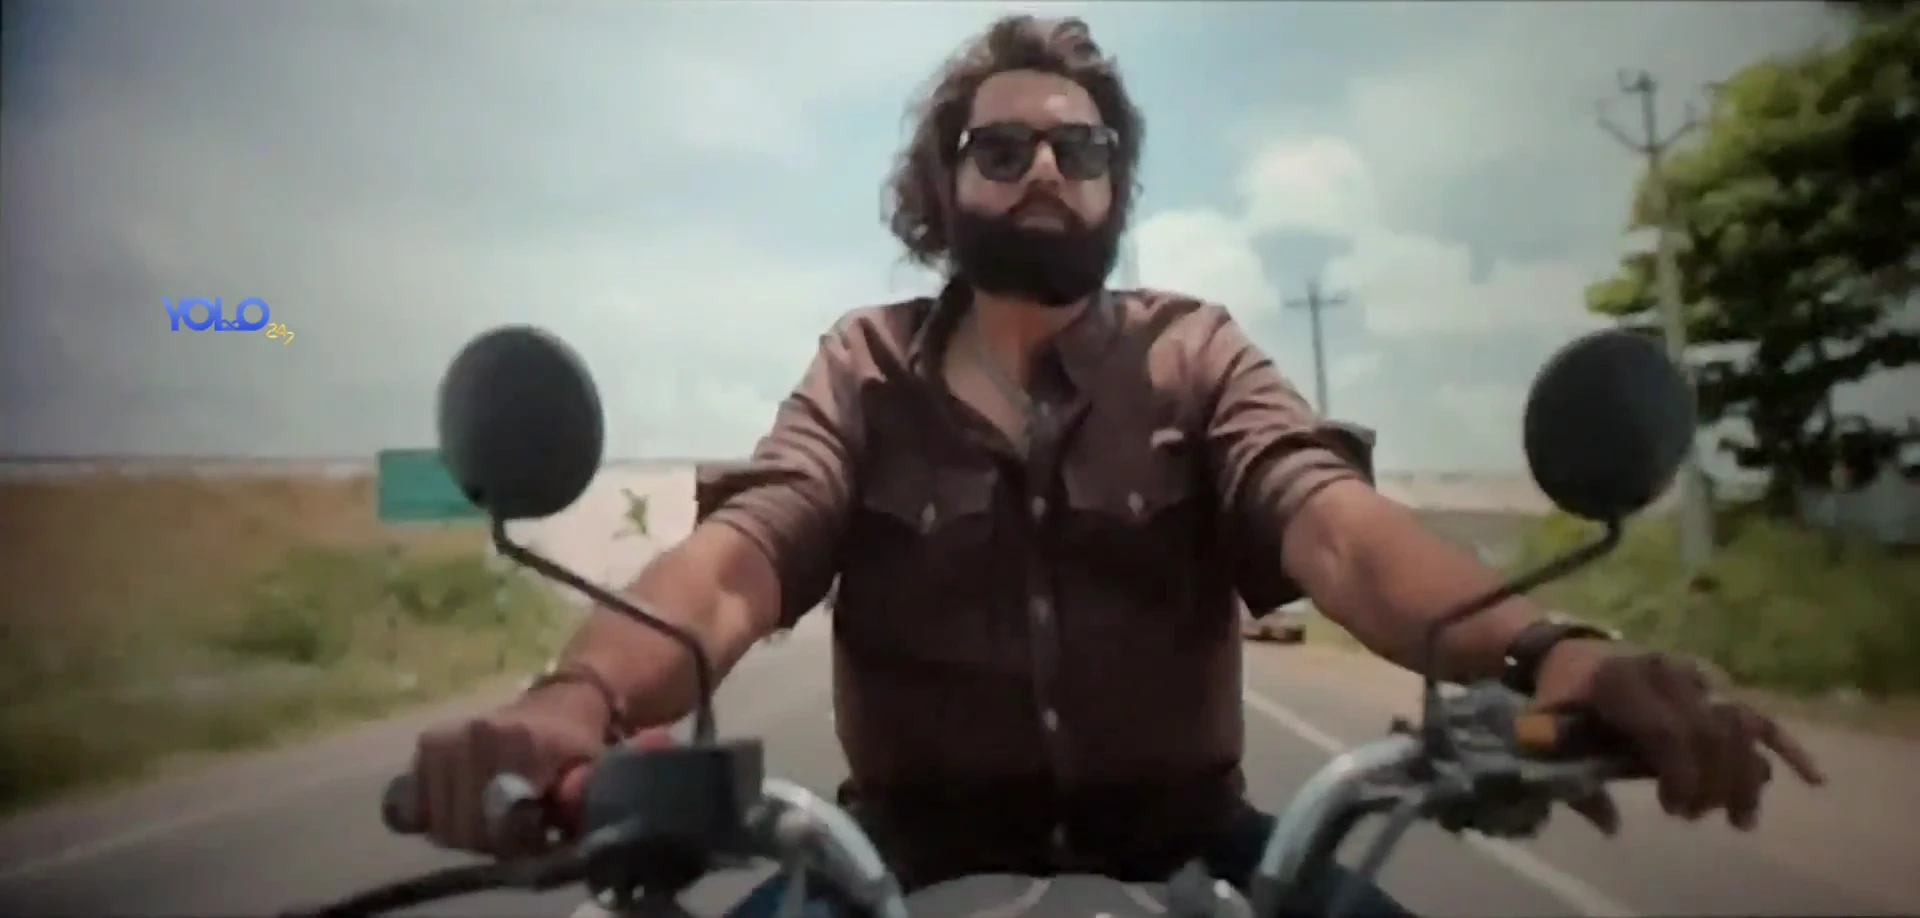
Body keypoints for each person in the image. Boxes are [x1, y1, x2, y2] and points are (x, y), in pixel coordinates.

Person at [403, 14, 1825, 917]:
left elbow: (1336, 530)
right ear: (941, 185)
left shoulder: (1195, 352)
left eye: (1079, 149)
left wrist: (1556, 652)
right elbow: (738, 562)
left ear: (1114, 187)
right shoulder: (863, 367)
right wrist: (574, 702)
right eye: (1002, 144)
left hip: (1203, 848)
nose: (1043, 167)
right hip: (898, 859)